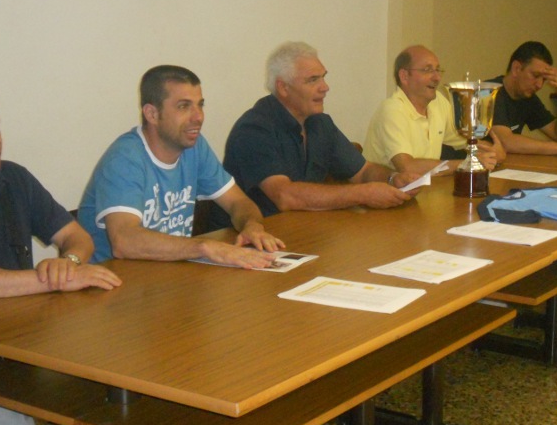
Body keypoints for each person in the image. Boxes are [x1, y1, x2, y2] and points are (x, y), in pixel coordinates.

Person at [0, 82, 122, 425]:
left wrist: (68, 264)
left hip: (24, 345)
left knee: (111, 397)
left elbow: (77, 237)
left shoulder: (14, 179)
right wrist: (52, 281)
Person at [78, 65, 284, 267]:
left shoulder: (195, 147)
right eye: (184, 106)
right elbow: (124, 241)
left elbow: (238, 202)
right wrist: (204, 247)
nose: (198, 117)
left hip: (166, 272)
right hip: (115, 279)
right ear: (151, 114)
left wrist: (252, 226)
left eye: (200, 105)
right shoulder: (125, 159)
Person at [209, 41, 421, 229]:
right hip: (249, 239)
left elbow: (363, 171)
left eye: (323, 77)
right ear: (283, 88)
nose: (325, 87)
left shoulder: (320, 123)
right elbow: (284, 196)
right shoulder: (254, 129)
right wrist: (363, 194)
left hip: (304, 232)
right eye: (312, 80)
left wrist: (393, 178)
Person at [363, 45, 504, 175]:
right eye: (427, 70)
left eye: (438, 70)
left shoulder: (438, 102)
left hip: (424, 188)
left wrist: (492, 152)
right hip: (386, 190)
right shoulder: (392, 110)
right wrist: (466, 164)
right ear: (404, 76)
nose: (437, 78)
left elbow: (467, 140)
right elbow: (407, 168)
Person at [489, 41, 557, 157]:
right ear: (516, 68)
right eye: (536, 76)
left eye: (544, 79)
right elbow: (506, 142)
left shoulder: (526, 97)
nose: (539, 85)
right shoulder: (489, 92)